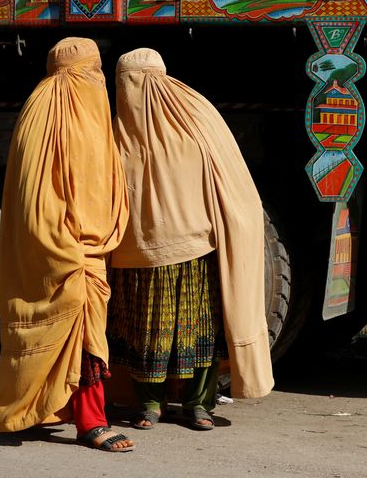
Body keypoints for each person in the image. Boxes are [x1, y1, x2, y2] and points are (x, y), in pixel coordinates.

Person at [107, 47, 273, 431]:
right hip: (137, 255)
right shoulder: (114, 132)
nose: (131, 93)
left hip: (195, 251)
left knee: (199, 334)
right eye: (125, 84)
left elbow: (230, 181)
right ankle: (149, 404)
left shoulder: (196, 118)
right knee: (143, 334)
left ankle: (200, 403)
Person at [0, 37, 134, 452]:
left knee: (75, 337)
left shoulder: (79, 111)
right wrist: (67, 250)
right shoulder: (45, 115)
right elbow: (32, 198)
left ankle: (37, 407)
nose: (97, 80)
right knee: (84, 336)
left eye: (98, 71)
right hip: (66, 251)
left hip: (91, 247)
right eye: (92, 71)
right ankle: (93, 422)